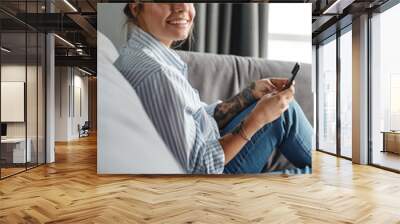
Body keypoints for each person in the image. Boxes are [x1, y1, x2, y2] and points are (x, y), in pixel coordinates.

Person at [115, 3, 313, 174]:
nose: (183, 7)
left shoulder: (143, 56)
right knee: (286, 113)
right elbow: (201, 165)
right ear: (135, 5)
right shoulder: (156, 73)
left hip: (213, 146)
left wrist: (249, 93)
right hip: (210, 174)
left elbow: (199, 118)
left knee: (282, 108)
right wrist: (258, 118)